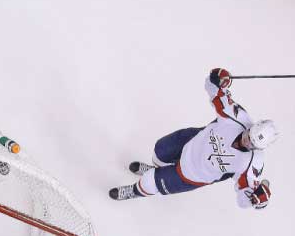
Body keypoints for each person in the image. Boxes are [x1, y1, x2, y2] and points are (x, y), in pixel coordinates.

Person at [109, 68, 278, 209]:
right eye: (248, 135)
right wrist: (217, 77)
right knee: (158, 153)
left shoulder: (251, 165)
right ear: (251, 126)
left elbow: (242, 200)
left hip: (193, 173)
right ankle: (156, 168)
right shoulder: (237, 116)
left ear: (259, 148)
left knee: (149, 183)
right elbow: (212, 87)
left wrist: (256, 200)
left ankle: (134, 190)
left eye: (252, 145)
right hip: (190, 141)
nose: (246, 142)